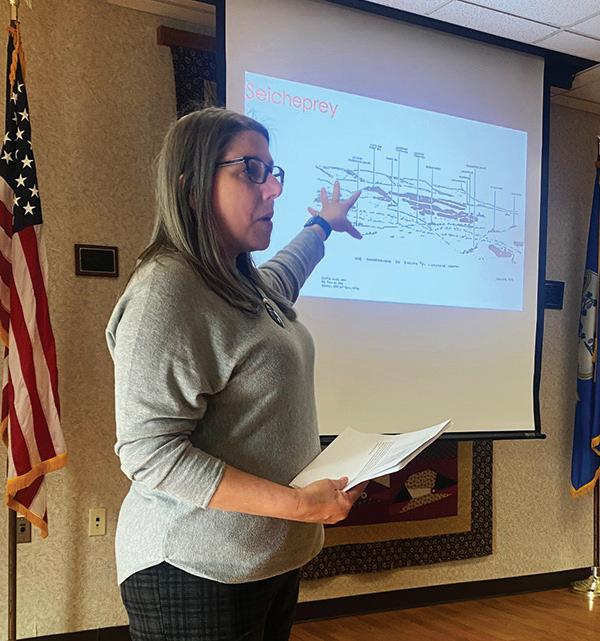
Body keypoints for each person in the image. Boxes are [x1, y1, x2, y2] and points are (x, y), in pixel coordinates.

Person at [106, 106, 366, 641]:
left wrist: (323, 225)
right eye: (252, 170)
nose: (274, 189)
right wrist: (299, 504)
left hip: (264, 559)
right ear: (192, 187)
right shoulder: (166, 292)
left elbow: (285, 273)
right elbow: (149, 453)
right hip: (194, 569)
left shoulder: (242, 285)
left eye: (273, 172)